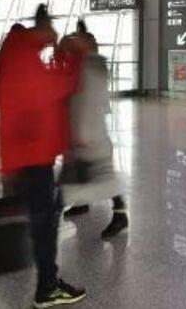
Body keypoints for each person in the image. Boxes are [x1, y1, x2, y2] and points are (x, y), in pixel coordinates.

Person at [0, 4, 86, 308]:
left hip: (21, 155)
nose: (52, 35)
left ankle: (45, 279)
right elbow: (59, 87)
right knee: (45, 222)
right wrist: (75, 56)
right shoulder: (23, 57)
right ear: (40, 27)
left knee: (43, 214)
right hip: (33, 156)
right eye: (49, 27)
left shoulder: (14, 53)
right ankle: (47, 287)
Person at [60, 21, 128, 239]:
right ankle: (82, 203)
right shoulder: (86, 64)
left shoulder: (93, 66)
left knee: (104, 176)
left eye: (78, 39)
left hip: (92, 133)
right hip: (86, 131)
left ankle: (120, 214)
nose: (74, 43)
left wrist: (83, 132)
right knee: (87, 171)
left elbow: (91, 102)